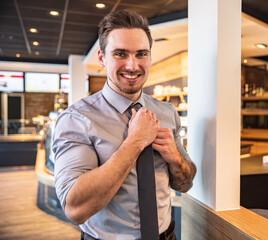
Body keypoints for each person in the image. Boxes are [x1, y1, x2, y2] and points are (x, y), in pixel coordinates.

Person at [52, 10, 196, 240]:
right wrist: (135, 142)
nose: (132, 65)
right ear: (101, 58)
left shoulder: (167, 112)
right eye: (120, 54)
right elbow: (74, 208)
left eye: (141, 54)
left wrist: (175, 159)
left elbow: (186, 183)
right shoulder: (78, 119)